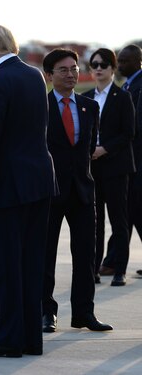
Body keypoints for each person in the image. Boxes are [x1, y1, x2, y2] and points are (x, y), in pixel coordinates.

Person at [0, 24, 56, 358]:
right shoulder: (34, 76)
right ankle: (30, 338)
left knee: (5, 265)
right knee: (32, 264)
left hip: (7, 187)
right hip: (39, 182)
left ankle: (7, 339)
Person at [40, 48, 112, 333]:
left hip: (83, 192)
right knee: (45, 256)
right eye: (63, 70)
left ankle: (84, 313)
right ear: (49, 76)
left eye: (74, 69)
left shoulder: (89, 106)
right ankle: (47, 312)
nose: (70, 74)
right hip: (50, 192)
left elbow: (86, 151)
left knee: (86, 257)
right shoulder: (40, 107)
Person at [83, 48, 135, 287]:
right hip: (93, 169)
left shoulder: (123, 97)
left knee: (118, 219)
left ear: (113, 68)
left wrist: (105, 149)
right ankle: (93, 269)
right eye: (95, 64)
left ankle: (119, 270)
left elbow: (128, 133)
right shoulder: (85, 98)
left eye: (104, 64)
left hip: (116, 167)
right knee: (94, 222)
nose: (99, 68)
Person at [117, 45, 142, 277]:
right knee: (130, 211)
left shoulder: (139, 86)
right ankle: (113, 258)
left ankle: (113, 260)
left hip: (138, 159)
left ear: (138, 61)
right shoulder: (128, 85)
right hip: (130, 160)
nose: (120, 65)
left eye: (124, 61)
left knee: (133, 210)